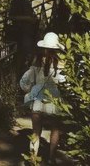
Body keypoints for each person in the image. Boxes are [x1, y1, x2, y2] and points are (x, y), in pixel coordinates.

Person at [20, 32, 67, 161]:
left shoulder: (37, 62)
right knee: (55, 129)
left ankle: (33, 157)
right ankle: (51, 158)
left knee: (35, 131)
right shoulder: (63, 64)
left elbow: (24, 81)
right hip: (55, 102)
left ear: (44, 47)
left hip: (38, 102)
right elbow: (66, 85)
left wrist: (29, 90)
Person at [5, 0, 39, 71]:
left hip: (27, 33)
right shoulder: (17, 0)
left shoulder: (26, 1)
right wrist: (27, 18)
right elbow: (12, 16)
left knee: (26, 55)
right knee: (20, 57)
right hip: (19, 33)